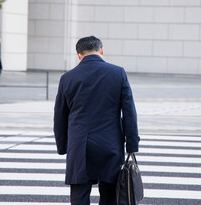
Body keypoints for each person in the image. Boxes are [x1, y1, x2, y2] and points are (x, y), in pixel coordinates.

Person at [53, 36, 139, 205]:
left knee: (79, 192)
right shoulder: (118, 73)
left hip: (79, 145)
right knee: (110, 194)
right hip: (110, 143)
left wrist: (63, 146)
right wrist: (132, 145)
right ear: (101, 50)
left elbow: (60, 116)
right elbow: (129, 113)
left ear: (79, 55)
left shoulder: (67, 78)